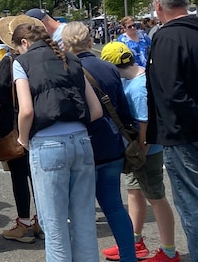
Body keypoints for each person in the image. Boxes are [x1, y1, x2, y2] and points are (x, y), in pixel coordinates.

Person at [146, 0, 198, 262]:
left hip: (187, 137)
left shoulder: (168, 37)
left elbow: (173, 93)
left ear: (158, 6)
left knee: (196, 214)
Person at [12, 21, 103, 262]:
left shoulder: (21, 63)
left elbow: (26, 111)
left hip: (47, 143)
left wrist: (23, 139)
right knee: (84, 221)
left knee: (55, 227)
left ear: (24, 43)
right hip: (81, 141)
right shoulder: (72, 59)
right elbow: (96, 110)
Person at [101, 41, 181, 262]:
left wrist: (141, 151)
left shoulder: (136, 87)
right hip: (140, 149)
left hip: (146, 150)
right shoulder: (141, 75)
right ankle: (135, 241)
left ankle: (169, 251)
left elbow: (143, 123)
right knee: (134, 193)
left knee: (156, 197)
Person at [62, 24, 136, 262]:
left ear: (66, 44)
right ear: (89, 40)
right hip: (112, 144)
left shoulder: (67, 69)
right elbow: (122, 108)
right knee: (114, 207)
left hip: (84, 145)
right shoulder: (108, 67)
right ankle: (128, 256)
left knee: (80, 211)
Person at [0, 16, 44, 243]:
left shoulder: (11, 60)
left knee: (19, 176)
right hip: (42, 123)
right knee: (38, 177)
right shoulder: (44, 58)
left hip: (15, 126)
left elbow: (0, 93)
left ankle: (23, 221)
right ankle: (42, 220)